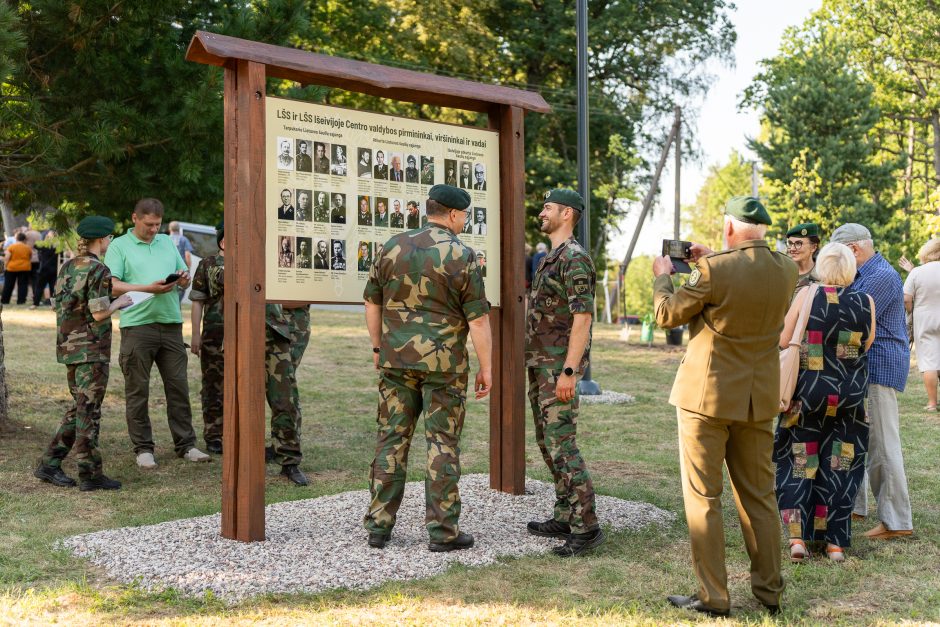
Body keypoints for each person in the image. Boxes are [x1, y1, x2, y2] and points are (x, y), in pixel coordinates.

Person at [653, 196, 797, 617]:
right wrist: (712, 260)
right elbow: (747, 280)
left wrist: (665, 277)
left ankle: (715, 596)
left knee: (704, 498)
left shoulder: (714, 271)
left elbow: (667, 314)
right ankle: (769, 592)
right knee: (760, 498)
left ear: (730, 228)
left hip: (707, 398)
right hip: (758, 400)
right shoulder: (787, 268)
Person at [363, 183, 492, 551]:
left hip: (396, 361)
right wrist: (488, 369)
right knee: (442, 444)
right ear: (452, 214)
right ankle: (442, 532)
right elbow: (479, 321)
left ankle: (379, 527)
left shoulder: (392, 246)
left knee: (391, 439)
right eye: (465, 215)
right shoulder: (462, 254)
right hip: (444, 366)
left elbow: (371, 302)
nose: (465, 220)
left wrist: (378, 346)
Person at [775, 243, 875, 563]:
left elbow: (783, 338)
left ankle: (798, 540)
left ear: (821, 266)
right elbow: (867, 343)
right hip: (850, 398)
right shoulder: (866, 301)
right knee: (841, 468)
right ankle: (835, 544)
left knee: (800, 465)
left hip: (808, 396)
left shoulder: (807, 296)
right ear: (849, 269)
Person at [525, 189, 603, 556]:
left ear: (567, 213)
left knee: (562, 445)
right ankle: (564, 513)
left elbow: (583, 317)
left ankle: (586, 525)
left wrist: (570, 371)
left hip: (558, 367)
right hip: (542, 366)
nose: (542, 212)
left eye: (548, 207)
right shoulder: (549, 257)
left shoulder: (574, 258)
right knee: (547, 443)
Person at [106, 198, 211, 468]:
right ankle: (143, 448)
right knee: (137, 390)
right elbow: (114, 286)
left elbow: (181, 271)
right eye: (149, 224)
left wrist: (183, 278)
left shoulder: (166, 242)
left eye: (158, 224)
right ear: (134, 218)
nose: (154, 229)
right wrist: (149, 288)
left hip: (171, 323)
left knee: (178, 388)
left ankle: (186, 445)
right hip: (137, 327)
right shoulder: (119, 246)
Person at [34, 216, 133, 491]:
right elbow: (99, 312)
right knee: (89, 411)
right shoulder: (99, 269)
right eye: (110, 238)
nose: (110, 243)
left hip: (69, 347)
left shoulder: (68, 266)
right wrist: (119, 303)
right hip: (91, 349)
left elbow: (58, 305)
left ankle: (49, 464)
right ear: (102, 240)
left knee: (78, 407)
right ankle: (90, 474)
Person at [833, 224, 914, 539]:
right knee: (852, 439)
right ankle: (854, 506)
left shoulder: (879, 276)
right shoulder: (867, 273)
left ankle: (897, 522)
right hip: (862, 367)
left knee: (881, 444)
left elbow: (849, 318)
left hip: (879, 366)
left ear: (853, 250)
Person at [190, 223, 225, 454]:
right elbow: (197, 301)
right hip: (214, 333)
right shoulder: (208, 264)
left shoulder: (254, 261)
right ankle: (214, 435)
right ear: (223, 242)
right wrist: (195, 334)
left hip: (246, 334)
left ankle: (238, 432)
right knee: (213, 385)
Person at [265, 303, 308, 485]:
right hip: (243, 324)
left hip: (279, 330)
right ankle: (242, 457)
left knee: (284, 396)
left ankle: (288, 458)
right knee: (240, 399)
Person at [904, 238, 940, 410]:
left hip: (924, 318)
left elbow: (906, 298)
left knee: (929, 361)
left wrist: (912, 311)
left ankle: (932, 403)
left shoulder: (917, 272)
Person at [786, 223, 820, 291]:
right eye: (790, 243)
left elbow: (832, 300)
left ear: (813, 247)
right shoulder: (782, 274)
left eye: (798, 243)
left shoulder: (825, 275)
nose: (792, 249)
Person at [32, 230, 60, 308]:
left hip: (44, 269)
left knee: (39, 287)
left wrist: (45, 239)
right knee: (52, 288)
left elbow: (35, 246)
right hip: (54, 269)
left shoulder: (45, 244)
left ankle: (35, 304)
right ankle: (53, 305)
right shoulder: (58, 245)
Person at [2, 232, 33, 305]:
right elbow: (30, 257)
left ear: (16, 238)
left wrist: (5, 266)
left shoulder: (12, 247)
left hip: (12, 268)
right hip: (25, 268)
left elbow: (7, 258)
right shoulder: (28, 248)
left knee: (8, 285)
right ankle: (21, 301)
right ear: (24, 239)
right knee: (23, 285)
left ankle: (5, 300)